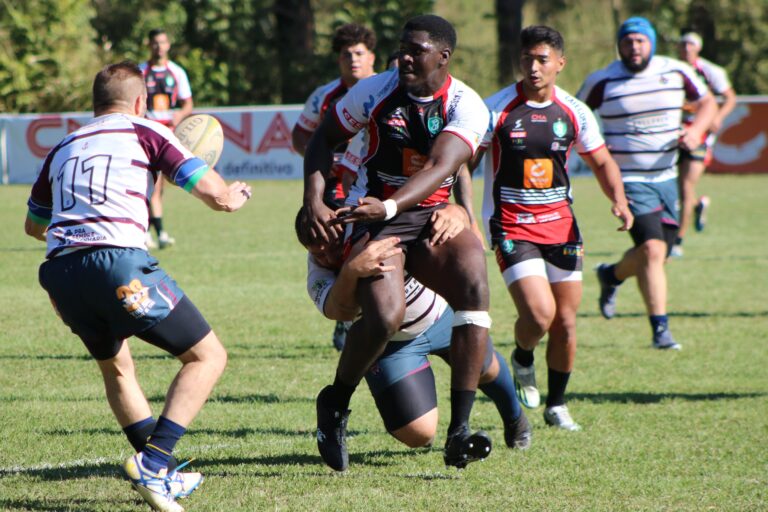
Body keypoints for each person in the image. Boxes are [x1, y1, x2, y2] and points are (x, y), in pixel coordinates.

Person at [24, 61, 251, 512]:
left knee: (118, 367)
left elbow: (33, 225)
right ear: (141, 102)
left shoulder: (63, 145)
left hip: (60, 273)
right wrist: (235, 196)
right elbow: (215, 195)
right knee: (207, 356)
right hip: (117, 264)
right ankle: (154, 463)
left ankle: (161, 475)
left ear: (95, 104)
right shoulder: (146, 130)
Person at [302, 14, 493, 470]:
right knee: (386, 316)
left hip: (428, 218)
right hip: (375, 217)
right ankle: (335, 403)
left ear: (443, 57)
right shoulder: (374, 91)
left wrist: (398, 208)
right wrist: (312, 200)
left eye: (417, 50)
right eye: (402, 47)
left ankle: (459, 430)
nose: (404, 57)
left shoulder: (468, 105)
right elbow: (323, 138)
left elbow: (438, 168)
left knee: (474, 288)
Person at [472, 26, 632, 431]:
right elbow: (462, 162)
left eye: (542, 59)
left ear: (560, 63)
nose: (533, 66)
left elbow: (601, 161)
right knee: (540, 315)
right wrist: (464, 213)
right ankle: (523, 355)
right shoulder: (496, 110)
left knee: (565, 322)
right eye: (527, 58)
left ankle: (557, 405)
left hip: (562, 228)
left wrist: (619, 199)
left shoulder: (575, 112)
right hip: (512, 226)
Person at [297, 204, 531, 455]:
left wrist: (457, 212)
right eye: (318, 254)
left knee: (485, 368)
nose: (328, 258)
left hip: (439, 316)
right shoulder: (318, 271)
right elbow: (338, 311)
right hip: (391, 347)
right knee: (419, 433)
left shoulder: (376, 229)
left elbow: (430, 206)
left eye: (332, 247)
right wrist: (352, 270)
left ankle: (515, 418)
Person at [577, 17, 716, 350]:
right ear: (619, 45)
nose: (634, 47)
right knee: (653, 250)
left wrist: (697, 131)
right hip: (627, 179)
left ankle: (611, 275)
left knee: (658, 255)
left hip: (667, 176)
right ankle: (661, 331)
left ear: (651, 43)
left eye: (640, 40)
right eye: (627, 41)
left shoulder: (676, 71)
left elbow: (708, 103)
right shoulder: (602, 80)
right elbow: (577, 116)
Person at [292, 23, 377, 352]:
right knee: (335, 249)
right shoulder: (325, 96)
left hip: (374, 184)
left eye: (359, 53)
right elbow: (301, 135)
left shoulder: (387, 89)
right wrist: (321, 158)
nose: (353, 60)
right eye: (346, 55)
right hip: (334, 189)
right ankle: (346, 315)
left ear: (372, 57)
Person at [671, 30, 736, 257]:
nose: (686, 49)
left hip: (699, 134)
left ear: (698, 48)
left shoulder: (711, 71)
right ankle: (697, 205)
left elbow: (730, 97)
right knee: (675, 186)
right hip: (673, 133)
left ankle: (677, 241)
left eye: (691, 45)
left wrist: (716, 118)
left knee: (686, 186)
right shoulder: (671, 70)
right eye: (683, 45)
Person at [140, 28, 194, 249]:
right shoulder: (140, 72)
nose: (158, 47)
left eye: (162, 42)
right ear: (149, 45)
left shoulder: (177, 72)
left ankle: (153, 232)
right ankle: (153, 233)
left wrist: (179, 115)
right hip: (146, 133)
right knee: (150, 183)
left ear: (168, 45)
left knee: (158, 186)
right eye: (155, 43)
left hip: (168, 134)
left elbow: (187, 103)